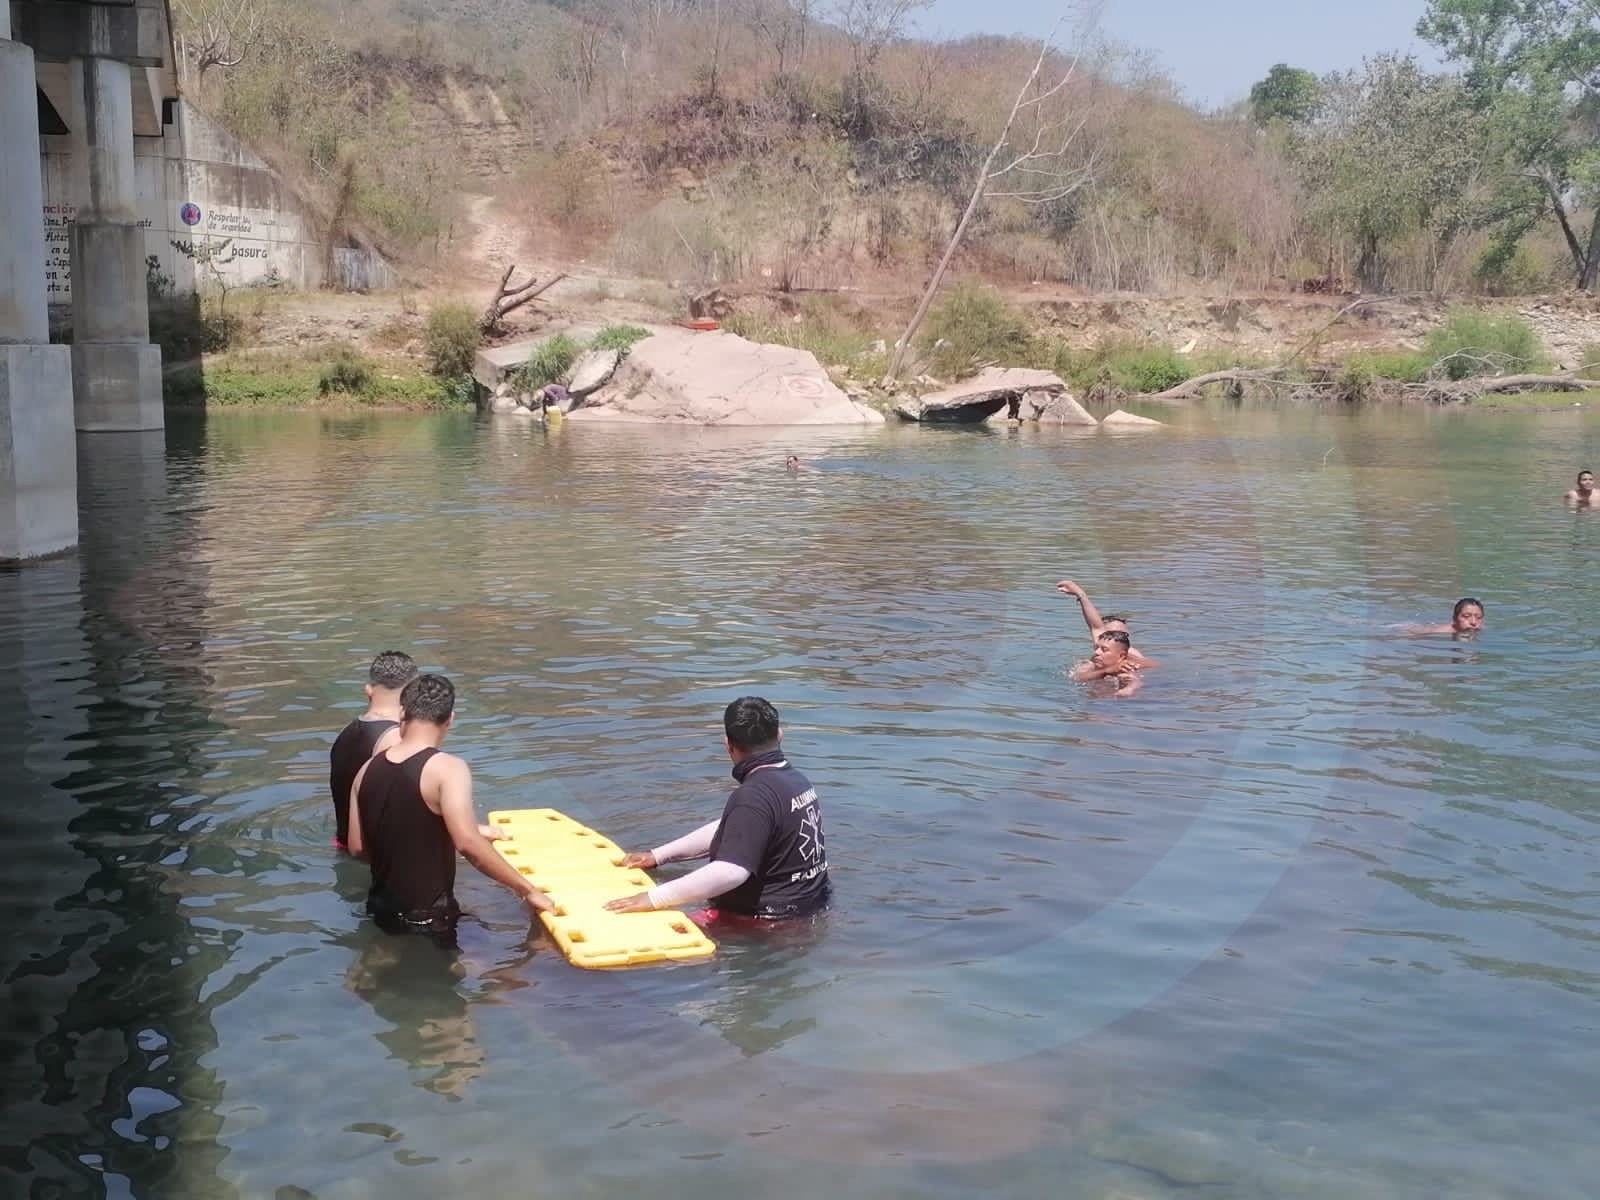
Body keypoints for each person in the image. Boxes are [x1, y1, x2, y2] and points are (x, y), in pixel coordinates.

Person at [348, 673, 553, 945]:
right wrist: (527, 890)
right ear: (450, 719)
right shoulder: (448, 768)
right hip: (432, 919)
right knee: (528, 954)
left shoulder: (365, 770)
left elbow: (357, 848)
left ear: (402, 713)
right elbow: (467, 842)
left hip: (379, 911)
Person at [605, 696, 830, 921]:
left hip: (763, 924)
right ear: (780, 735)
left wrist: (654, 898)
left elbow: (730, 872)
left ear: (728, 745)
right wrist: (658, 856)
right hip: (812, 907)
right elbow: (738, 830)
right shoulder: (796, 781)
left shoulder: (753, 796)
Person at [329, 650, 418, 851]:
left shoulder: (346, 733)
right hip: (381, 855)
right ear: (413, 693)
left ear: (369, 690)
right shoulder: (397, 740)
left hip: (343, 845)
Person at [1056, 579, 1158, 668]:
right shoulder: (1099, 649)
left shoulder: (1131, 654)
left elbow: (1154, 666)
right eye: (1112, 633)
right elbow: (1096, 626)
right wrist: (1080, 593)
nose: (1118, 637)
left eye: (1124, 634)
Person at [1070, 629, 1142, 698]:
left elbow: (1134, 681)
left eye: (1104, 650)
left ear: (1121, 656)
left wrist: (1129, 689)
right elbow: (1077, 677)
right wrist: (1106, 671)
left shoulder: (1125, 669)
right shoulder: (1091, 664)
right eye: (1096, 648)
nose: (1097, 652)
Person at [1403, 597, 1485, 639]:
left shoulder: (1479, 629)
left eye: (1478, 617)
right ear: (1454, 619)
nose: (1473, 622)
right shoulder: (1439, 632)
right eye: (1466, 616)